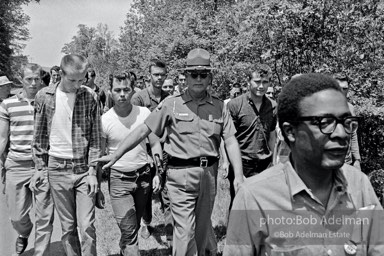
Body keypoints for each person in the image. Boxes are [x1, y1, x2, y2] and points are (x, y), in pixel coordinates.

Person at [94, 48, 244, 256]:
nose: (198, 79)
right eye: (193, 74)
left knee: (202, 230)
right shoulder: (171, 104)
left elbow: (230, 139)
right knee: (185, 231)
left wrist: (239, 174)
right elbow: (143, 130)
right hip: (180, 176)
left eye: (203, 74)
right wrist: (117, 153)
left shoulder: (219, 106)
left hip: (209, 174)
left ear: (210, 76)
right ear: (185, 77)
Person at [224, 73, 384, 256]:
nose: (341, 133)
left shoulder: (359, 185)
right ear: (290, 132)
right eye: (325, 123)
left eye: (346, 122)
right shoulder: (254, 199)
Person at [31, 54, 101, 255]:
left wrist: (91, 170)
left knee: (87, 225)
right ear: (60, 74)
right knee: (68, 227)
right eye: (72, 80)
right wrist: (40, 167)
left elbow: (96, 138)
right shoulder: (44, 97)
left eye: (82, 80)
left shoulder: (90, 97)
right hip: (57, 168)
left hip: (82, 169)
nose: (78, 85)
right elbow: (39, 136)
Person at [101, 72, 162, 255]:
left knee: (132, 227)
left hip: (143, 177)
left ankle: (124, 250)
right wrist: (96, 184)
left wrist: (158, 173)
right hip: (119, 179)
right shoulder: (105, 120)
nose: (122, 94)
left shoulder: (144, 113)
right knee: (129, 231)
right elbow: (100, 155)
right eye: (117, 90)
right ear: (110, 92)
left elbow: (155, 142)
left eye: (126, 89)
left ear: (132, 90)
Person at [0, 64, 54, 255]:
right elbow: (2, 137)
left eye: (36, 79)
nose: (33, 83)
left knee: (44, 217)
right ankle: (23, 233)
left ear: (41, 80)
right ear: (21, 79)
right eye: (29, 79)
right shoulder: (7, 105)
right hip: (16, 165)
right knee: (16, 216)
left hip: (43, 165)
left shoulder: (49, 103)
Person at [223, 64, 277, 211]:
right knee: (240, 203)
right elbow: (228, 138)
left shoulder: (273, 106)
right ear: (248, 82)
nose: (261, 86)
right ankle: (234, 233)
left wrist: (274, 163)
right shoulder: (235, 105)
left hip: (265, 163)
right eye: (257, 81)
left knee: (264, 204)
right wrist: (228, 162)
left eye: (265, 82)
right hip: (242, 162)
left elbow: (272, 135)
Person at [131, 59, 169, 239]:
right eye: (156, 75)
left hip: (165, 149)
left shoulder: (169, 98)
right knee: (145, 190)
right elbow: (135, 127)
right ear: (149, 76)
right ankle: (146, 223)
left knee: (165, 187)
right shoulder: (139, 98)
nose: (159, 78)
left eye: (162, 75)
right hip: (144, 150)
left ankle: (171, 227)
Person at [334, 73, 361, 170]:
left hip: (347, 161)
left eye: (345, 88)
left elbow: (353, 134)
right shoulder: (323, 108)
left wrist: (357, 160)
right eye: (339, 88)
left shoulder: (350, 108)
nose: (342, 91)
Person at [0, 75, 13, 194]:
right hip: (2, 137)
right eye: (6, 86)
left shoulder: (11, 100)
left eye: (9, 86)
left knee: (6, 162)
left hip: (10, 137)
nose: (9, 88)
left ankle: (6, 186)